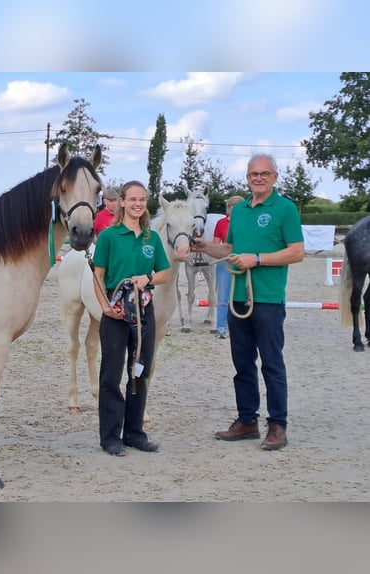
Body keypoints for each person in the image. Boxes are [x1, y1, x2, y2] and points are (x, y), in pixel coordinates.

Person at [192, 153, 304, 450]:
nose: (258, 178)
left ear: (274, 177)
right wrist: (206, 246)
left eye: (264, 174)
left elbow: (296, 252)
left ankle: (278, 425)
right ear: (247, 177)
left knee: (272, 364)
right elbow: (231, 249)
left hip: (267, 298)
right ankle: (247, 420)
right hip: (237, 298)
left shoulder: (285, 209)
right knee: (242, 364)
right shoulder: (239, 211)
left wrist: (257, 259)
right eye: (254, 174)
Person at [92, 180, 170, 456]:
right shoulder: (109, 236)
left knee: (140, 371)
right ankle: (111, 437)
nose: (138, 204)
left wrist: (147, 278)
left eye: (142, 199)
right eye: (132, 199)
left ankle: (135, 433)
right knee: (111, 374)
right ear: (122, 202)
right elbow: (98, 274)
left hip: (143, 312)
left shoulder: (152, 238)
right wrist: (104, 306)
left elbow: (164, 273)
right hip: (116, 311)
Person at [212, 195, 245, 339]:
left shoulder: (247, 223)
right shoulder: (221, 223)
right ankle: (221, 326)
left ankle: (241, 326)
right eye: (232, 206)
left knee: (243, 296)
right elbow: (215, 243)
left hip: (243, 261)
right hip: (225, 261)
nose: (235, 209)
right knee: (223, 296)